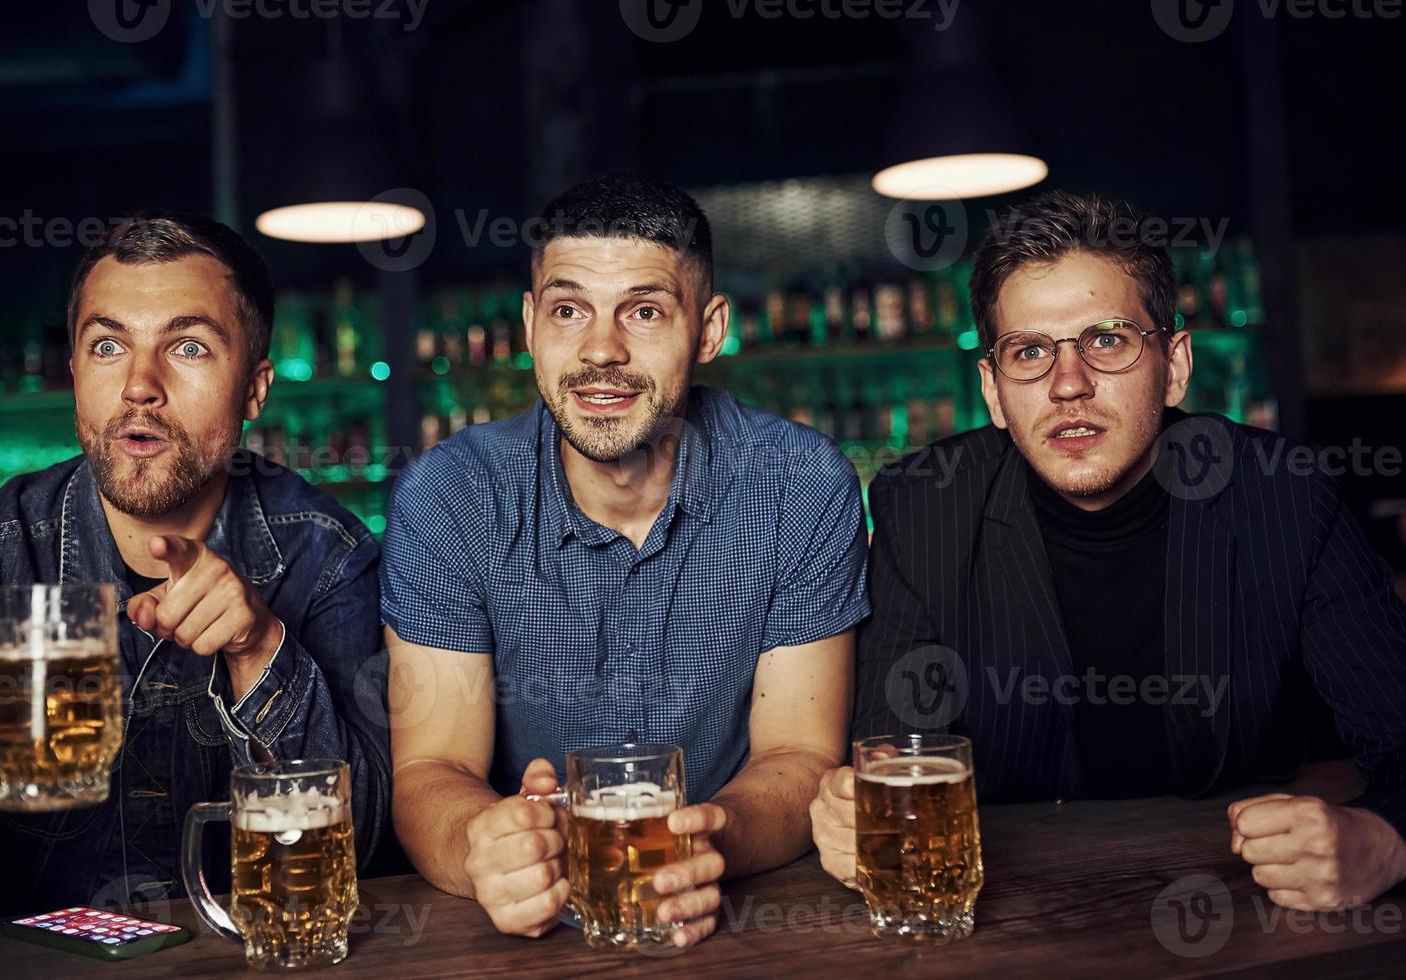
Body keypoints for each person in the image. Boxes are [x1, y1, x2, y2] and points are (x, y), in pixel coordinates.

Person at [0, 215, 390, 950]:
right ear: (75, 372)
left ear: (255, 388)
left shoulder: (326, 555)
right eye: (108, 345)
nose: (140, 385)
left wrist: (260, 646)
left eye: (189, 347)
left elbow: (358, 856)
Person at [810, 190, 1406, 912]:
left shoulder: (1284, 494)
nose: (1068, 384)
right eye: (1028, 351)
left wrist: (1384, 838)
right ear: (993, 391)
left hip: (1242, 901)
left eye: (1107, 339)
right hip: (1011, 924)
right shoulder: (922, 504)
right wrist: (854, 821)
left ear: (1175, 363)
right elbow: (893, 757)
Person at [382, 174, 869, 949]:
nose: (599, 350)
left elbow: (799, 753)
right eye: (568, 310)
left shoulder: (800, 485)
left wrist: (710, 843)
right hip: (525, 939)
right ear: (528, 322)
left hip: (745, 930)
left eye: (643, 312)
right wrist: (481, 846)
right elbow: (431, 767)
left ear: (707, 330)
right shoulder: (449, 495)